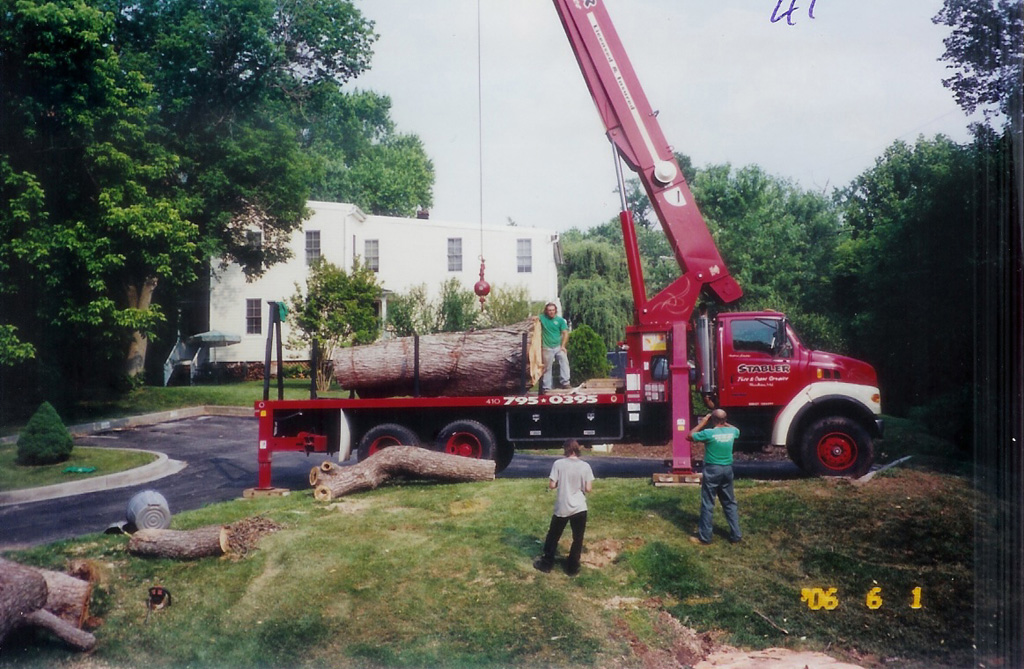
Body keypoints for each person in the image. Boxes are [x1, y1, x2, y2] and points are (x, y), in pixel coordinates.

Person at [534, 439, 594, 575]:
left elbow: (552, 485)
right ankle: (572, 568)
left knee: (553, 536)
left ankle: (546, 564)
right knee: (578, 538)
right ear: (577, 449)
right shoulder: (585, 466)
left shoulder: (558, 464)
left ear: (566, 449)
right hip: (579, 507)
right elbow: (588, 489)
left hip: (562, 507)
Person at [688, 409, 742, 545]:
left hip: (713, 470)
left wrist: (704, 422)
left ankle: (705, 537)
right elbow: (736, 429)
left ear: (712, 419)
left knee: (708, 503)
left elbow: (690, 436)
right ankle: (736, 535)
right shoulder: (732, 432)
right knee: (730, 503)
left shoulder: (709, 433)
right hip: (727, 470)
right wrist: (723, 422)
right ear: (725, 420)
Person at [538, 302, 571, 392]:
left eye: (553, 310)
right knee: (547, 367)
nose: (551, 312)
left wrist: (563, 346)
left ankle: (565, 382)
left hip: (558, 347)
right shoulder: (542, 318)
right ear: (546, 311)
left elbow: (565, 333)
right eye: (549, 310)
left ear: (555, 311)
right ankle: (547, 387)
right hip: (547, 347)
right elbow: (534, 319)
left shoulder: (560, 320)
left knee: (564, 360)